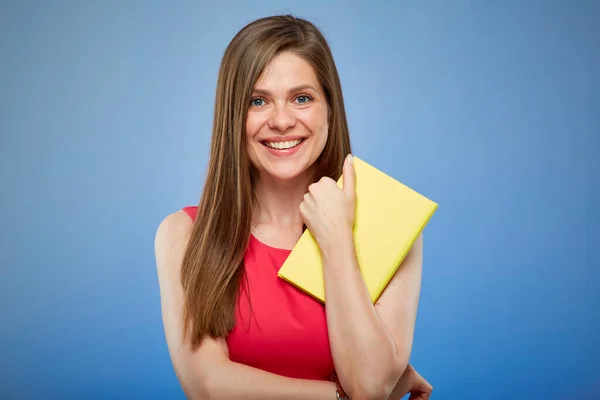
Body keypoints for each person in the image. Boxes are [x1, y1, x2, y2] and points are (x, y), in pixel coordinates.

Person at [154, 15, 432, 400]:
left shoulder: (393, 228)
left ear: (330, 109)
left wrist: (336, 239)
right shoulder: (183, 234)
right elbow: (207, 385)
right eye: (258, 101)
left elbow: (369, 387)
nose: (282, 121)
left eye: (302, 98)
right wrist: (336, 395)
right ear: (232, 116)